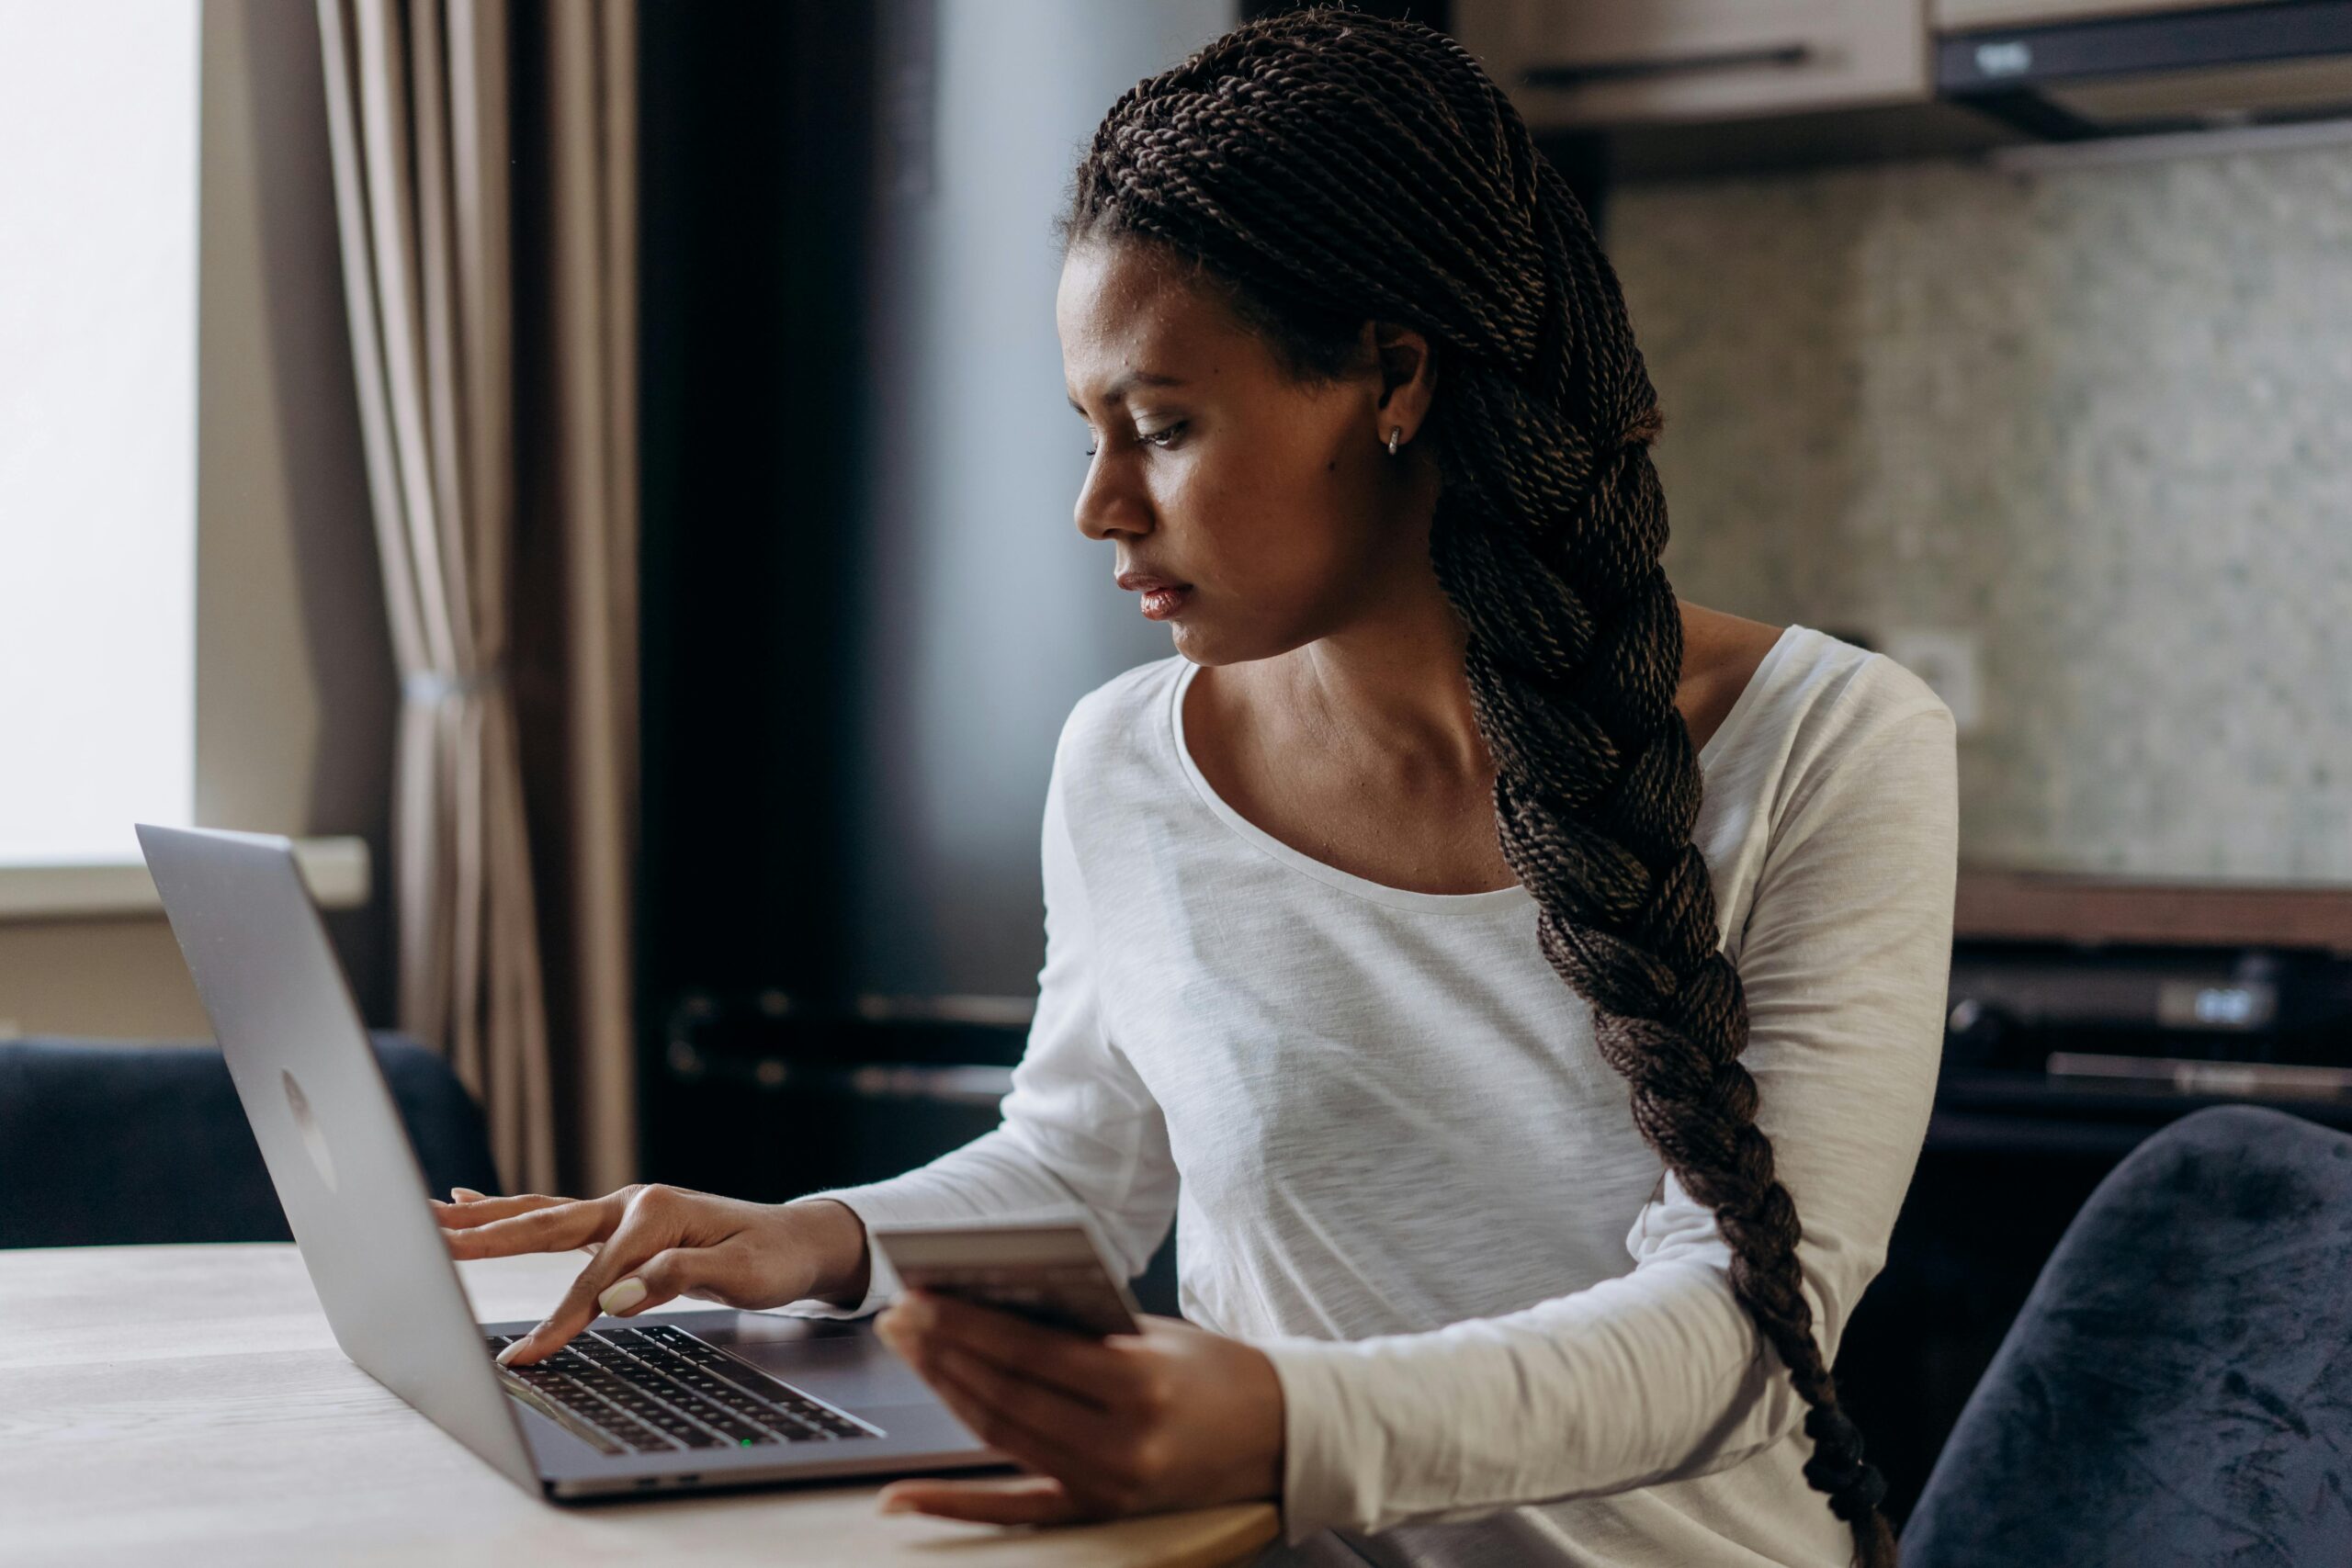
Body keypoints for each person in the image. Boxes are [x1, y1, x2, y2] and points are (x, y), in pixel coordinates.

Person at [435, 11, 1958, 1566]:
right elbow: (1079, 1171)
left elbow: (1743, 1325)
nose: (1099, 505)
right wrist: (821, 1237)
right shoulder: (1125, 759)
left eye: (1160, 426)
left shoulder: (1831, 746)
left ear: (1395, 381)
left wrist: (1290, 1427)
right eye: (1092, 431)